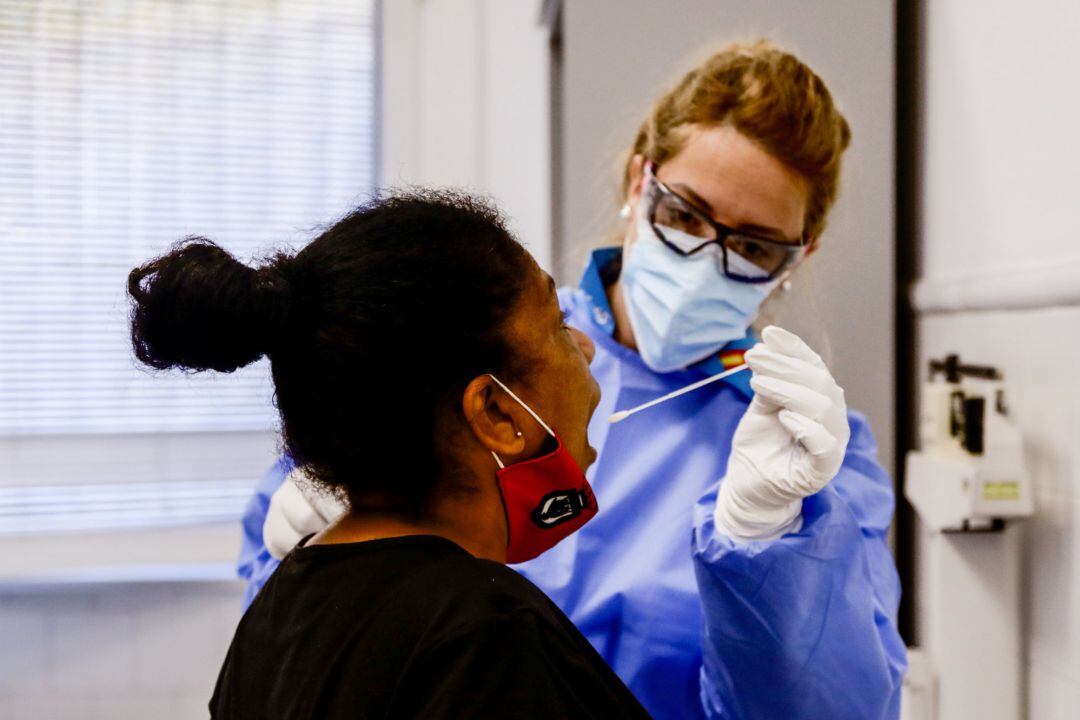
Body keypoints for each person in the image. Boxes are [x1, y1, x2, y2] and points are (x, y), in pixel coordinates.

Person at [241, 41, 907, 719]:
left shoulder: (800, 451)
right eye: (683, 214)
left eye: (754, 247)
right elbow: (297, 657)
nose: (706, 260)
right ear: (638, 182)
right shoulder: (477, 339)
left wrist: (769, 548)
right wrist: (298, 556)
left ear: (799, 256)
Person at [127, 191, 651, 719]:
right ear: (495, 413)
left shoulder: (276, 614)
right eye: (558, 325)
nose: (586, 347)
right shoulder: (487, 636)